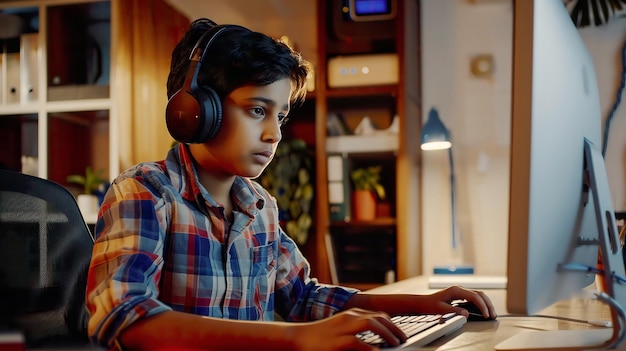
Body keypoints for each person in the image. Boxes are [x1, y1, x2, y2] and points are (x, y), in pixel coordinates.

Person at [85, 18, 497, 351]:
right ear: (193, 111)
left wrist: (420, 305)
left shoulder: (259, 207)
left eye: (280, 116)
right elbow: (125, 318)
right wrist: (295, 338)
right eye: (257, 110)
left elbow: (302, 296)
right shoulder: (146, 192)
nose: (274, 134)